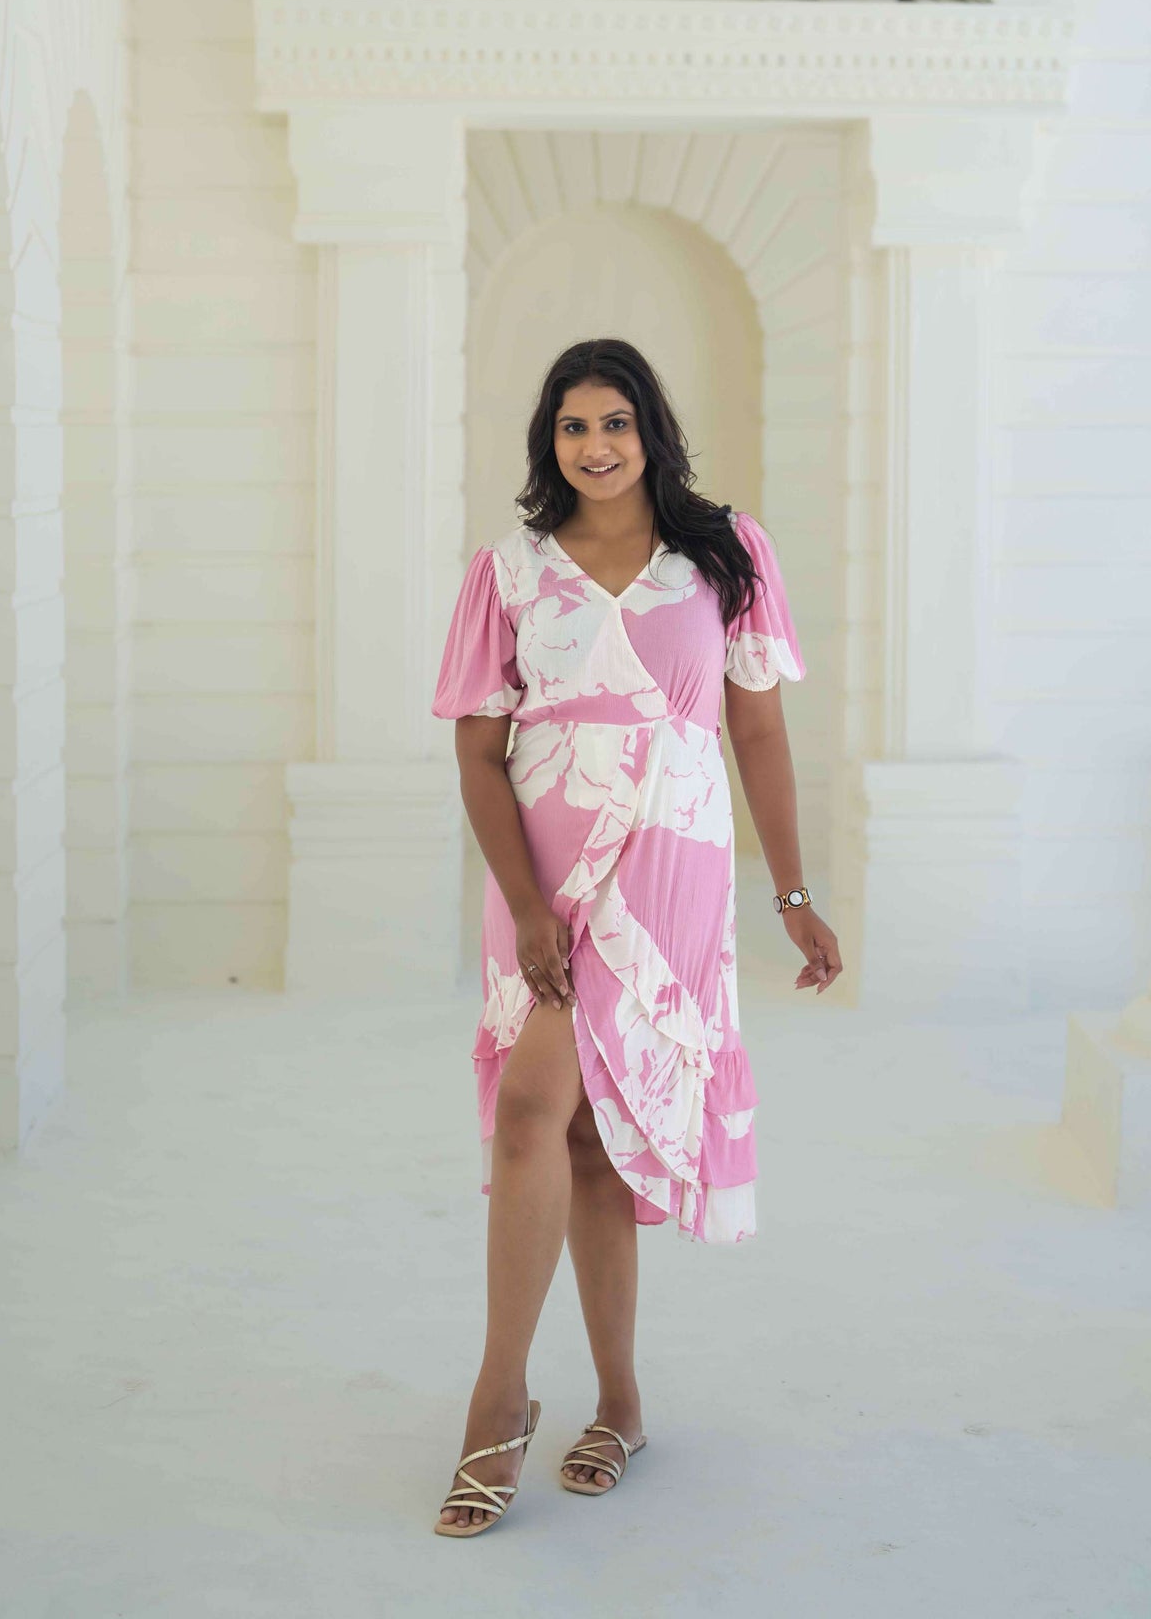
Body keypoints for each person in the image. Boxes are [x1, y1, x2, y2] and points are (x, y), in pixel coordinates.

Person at [430, 338, 842, 1537]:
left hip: (670, 864)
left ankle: (615, 1400)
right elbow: (476, 752)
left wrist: (790, 894)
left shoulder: (723, 554)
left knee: (602, 1135)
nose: (594, 445)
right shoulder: (508, 572)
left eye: (614, 422)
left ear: (650, 429)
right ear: (545, 440)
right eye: (571, 426)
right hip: (544, 871)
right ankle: (500, 1395)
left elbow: (755, 735)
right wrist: (519, 903)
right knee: (535, 1108)